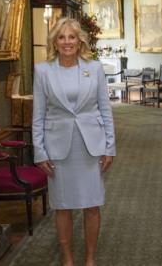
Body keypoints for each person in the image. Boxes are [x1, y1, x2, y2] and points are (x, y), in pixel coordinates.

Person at [32, 17, 115, 266]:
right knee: (63, 206)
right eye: (61, 37)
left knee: (92, 205)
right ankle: (67, 259)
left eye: (72, 37)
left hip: (91, 147)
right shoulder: (43, 70)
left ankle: (90, 257)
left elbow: (105, 109)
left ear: (80, 42)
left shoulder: (95, 67)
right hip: (58, 148)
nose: (67, 42)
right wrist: (40, 152)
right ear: (55, 42)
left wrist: (109, 146)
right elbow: (39, 114)